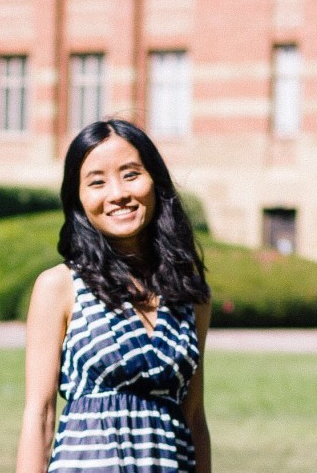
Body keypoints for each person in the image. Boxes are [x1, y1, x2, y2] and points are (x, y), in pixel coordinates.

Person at [15, 119, 212, 473]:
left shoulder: (190, 293)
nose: (118, 193)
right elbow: (40, 413)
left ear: (155, 181)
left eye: (131, 174)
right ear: (78, 197)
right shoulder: (59, 287)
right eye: (97, 182)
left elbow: (194, 415)